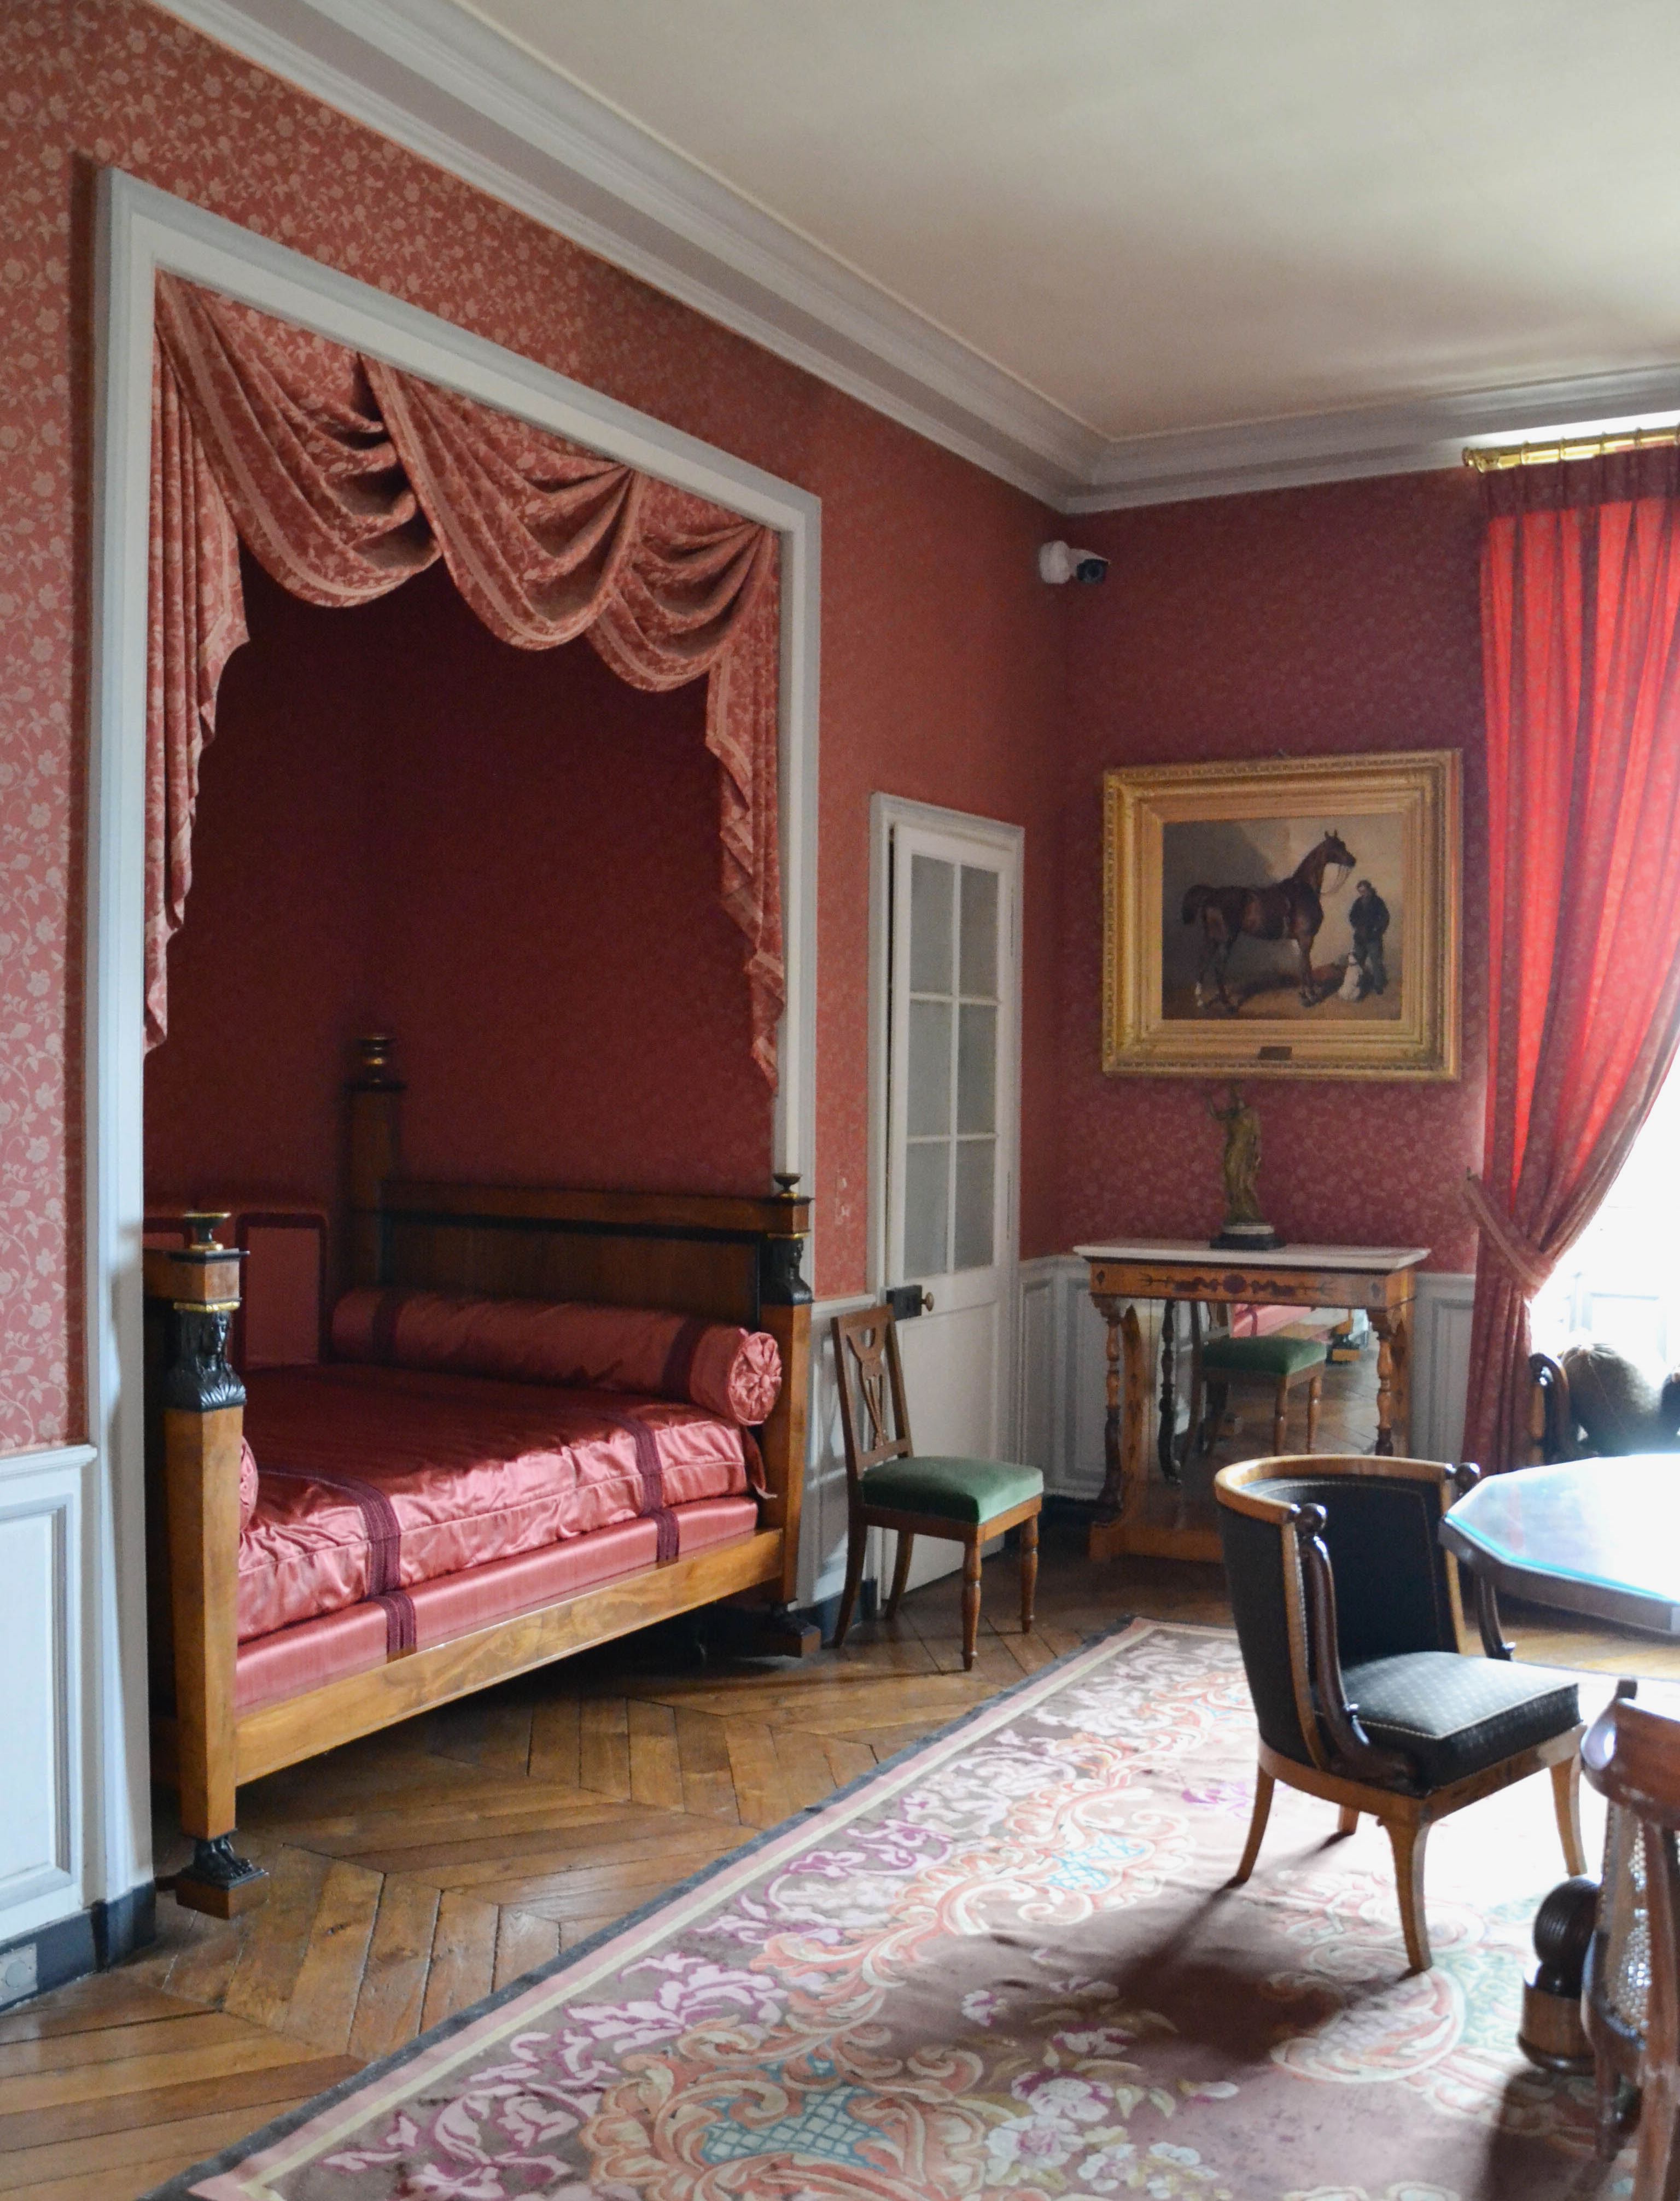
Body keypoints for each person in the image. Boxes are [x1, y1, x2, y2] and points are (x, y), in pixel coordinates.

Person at [1350, 878, 1389, 996]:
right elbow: (1352, 916)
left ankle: (1378, 986)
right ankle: (1361, 985)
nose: (1363, 894)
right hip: (1360, 939)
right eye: (1360, 892)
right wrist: (1357, 926)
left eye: (1364, 891)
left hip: (1373, 938)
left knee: (1376, 962)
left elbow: (1385, 918)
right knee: (1358, 962)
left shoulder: (1378, 902)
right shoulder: (1358, 902)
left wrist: (1377, 929)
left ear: (1369, 890)